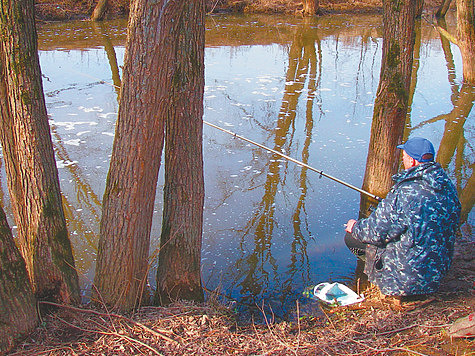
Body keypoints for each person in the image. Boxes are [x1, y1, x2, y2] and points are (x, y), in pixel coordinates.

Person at [344, 137, 461, 298]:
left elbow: (375, 232)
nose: (403, 159)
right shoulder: (447, 185)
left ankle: (383, 281)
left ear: (412, 161)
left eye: (404, 156)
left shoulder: (406, 191)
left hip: (408, 281)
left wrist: (355, 226)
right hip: (437, 272)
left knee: (351, 238)